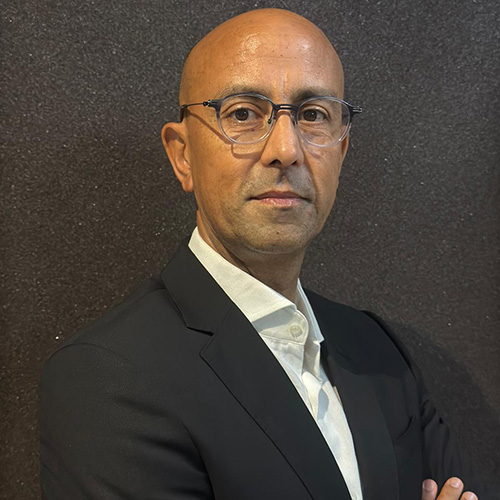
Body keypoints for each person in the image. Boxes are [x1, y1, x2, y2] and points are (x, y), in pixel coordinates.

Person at [39, 8, 483, 500]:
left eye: (313, 115)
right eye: (243, 114)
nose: (286, 149)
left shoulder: (377, 350)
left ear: (341, 152)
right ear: (183, 155)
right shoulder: (108, 380)